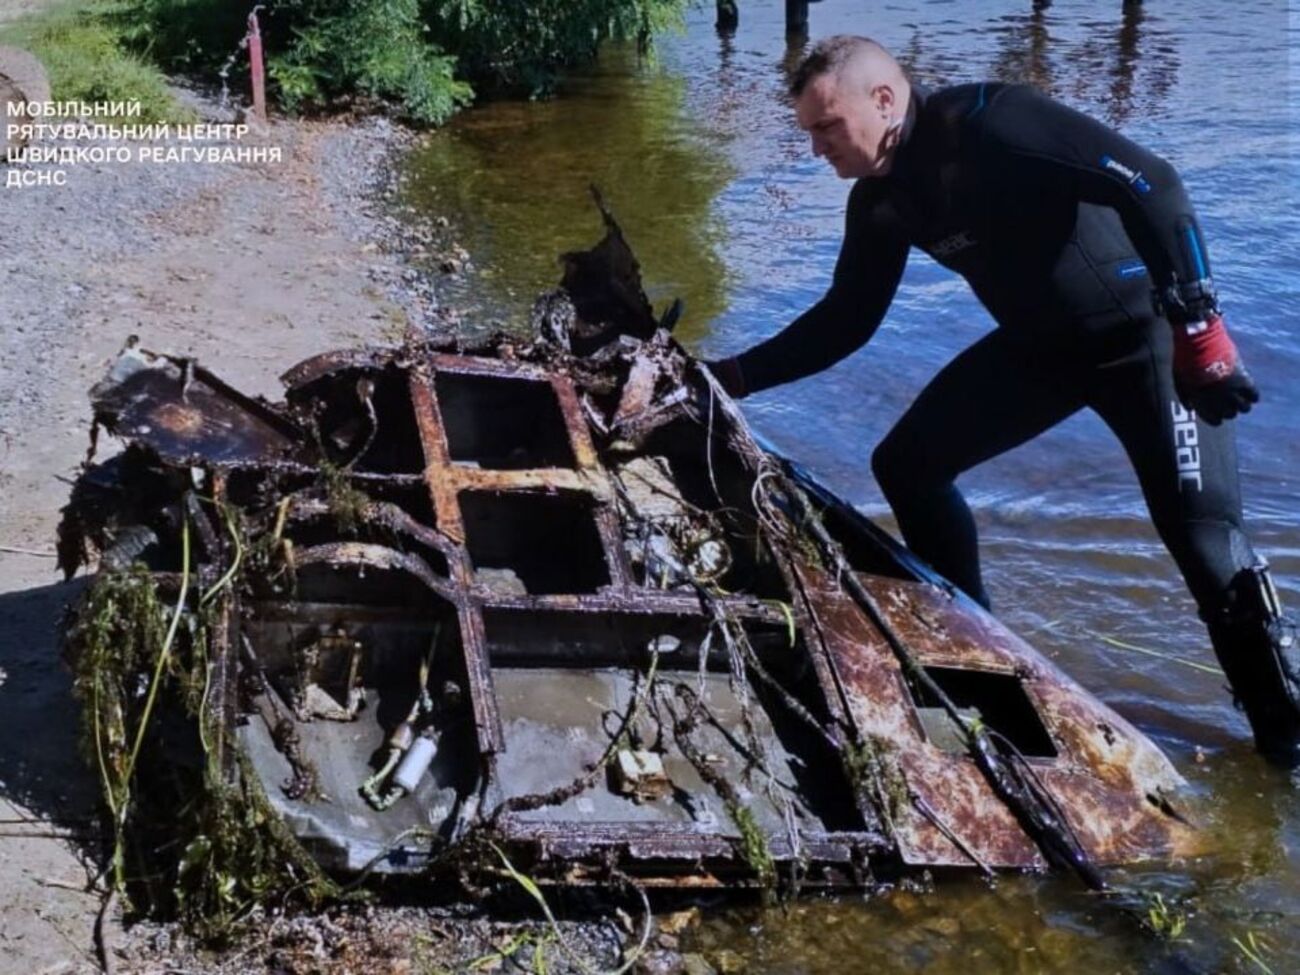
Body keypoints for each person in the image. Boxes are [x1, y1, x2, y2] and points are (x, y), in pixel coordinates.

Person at [705, 35, 1300, 767]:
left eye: (828, 126)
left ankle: (1286, 746)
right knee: (908, 464)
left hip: (1142, 342)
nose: (817, 148)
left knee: (1204, 540)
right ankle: (976, 650)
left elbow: (1152, 182)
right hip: (1041, 351)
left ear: (883, 99)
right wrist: (725, 377)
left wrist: (1198, 323)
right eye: (809, 132)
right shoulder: (882, 202)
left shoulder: (994, 123)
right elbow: (845, 321)